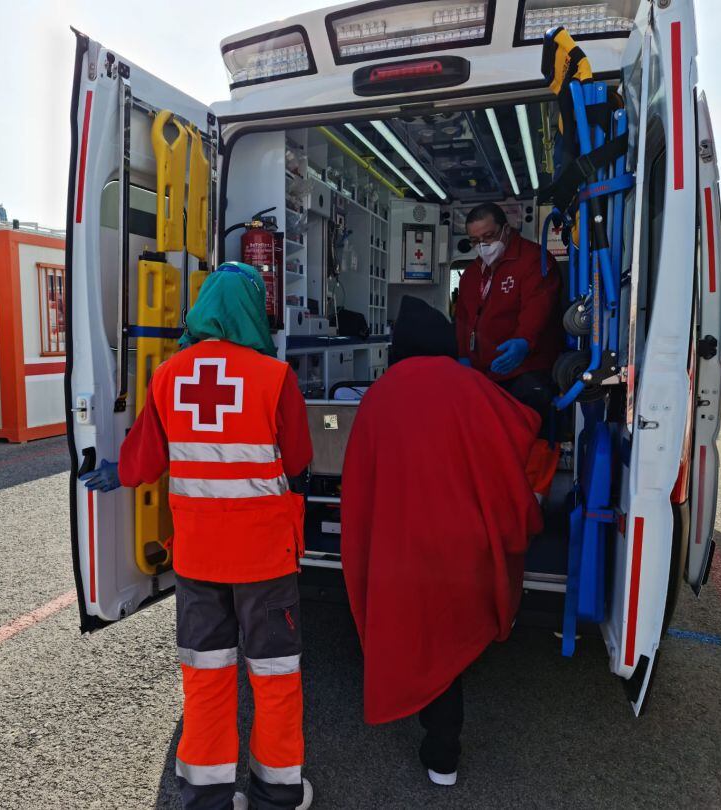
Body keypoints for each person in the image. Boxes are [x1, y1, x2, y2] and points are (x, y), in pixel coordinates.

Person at [81, 262, 314, 810]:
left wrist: (117, 470)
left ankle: (207, 797)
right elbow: (300, 458)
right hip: (265, 559)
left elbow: (143, 459)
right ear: (254, 311)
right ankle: (278, 794)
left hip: (198, 559)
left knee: (206, 675)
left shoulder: (169, 375)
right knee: (275, 676)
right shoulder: (274, 377)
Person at [340, 296, 544, 787]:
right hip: (462, 542)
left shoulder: (380, 394)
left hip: (402, 543)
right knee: (451, 636)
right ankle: (443, 755)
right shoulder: (471, 386)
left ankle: (440, 749)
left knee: (420, 638)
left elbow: (357, 480)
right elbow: (522, 431)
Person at [454, 203, 564, 425]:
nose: (483, 245)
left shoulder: (533, 261)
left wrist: (524, 341)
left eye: (489, 236)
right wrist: (463, 354)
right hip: (484, 375)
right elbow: (463, 318)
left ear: (506, 229)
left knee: (525, 435)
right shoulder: (472, 274)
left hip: (527, 371)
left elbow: (537, 306)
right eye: (475, 241)